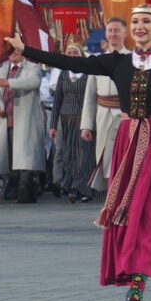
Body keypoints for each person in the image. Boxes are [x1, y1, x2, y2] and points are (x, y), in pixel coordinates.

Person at [6, 4, 151, 301]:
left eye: (146, 21)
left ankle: (138, 283)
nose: (139, 26)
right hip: (128, 142)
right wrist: (26, 49)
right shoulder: (117, 62)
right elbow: (71, 62)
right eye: (135, 21)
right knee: (134, 213)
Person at [0, 50, 45, 202]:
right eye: (11, 51)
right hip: (7, 120)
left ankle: (25, 191)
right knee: (11, 157)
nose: (14, 53)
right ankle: (13, 188)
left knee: (25, 158)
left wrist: (9, 83)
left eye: (17, 50)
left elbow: (33, 82)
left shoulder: (33, 68)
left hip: (25, 120)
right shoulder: (1, 71)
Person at [81, 17, 129, 192]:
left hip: (125, 116)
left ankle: (125, 197)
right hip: (103, 115)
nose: (113, 34)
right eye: (110, 30)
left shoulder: (133, 59)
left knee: (125, 159)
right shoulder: (98, 61)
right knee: (106, 158)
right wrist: (86, 125)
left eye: (117, 30)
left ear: (125, 33)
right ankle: (111, 197)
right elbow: (90, 95)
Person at [49, 43, 95, 202]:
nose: (72, 56)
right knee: (70, 153)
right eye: (69, 53)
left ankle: (84, 189)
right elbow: (57, 100)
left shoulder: (88, 74)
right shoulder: (63, 74)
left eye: (75, 53)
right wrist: (53, 125)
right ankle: (72, 186)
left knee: (84, 154)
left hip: (83, 118)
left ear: (81, 55)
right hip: (66, 118)